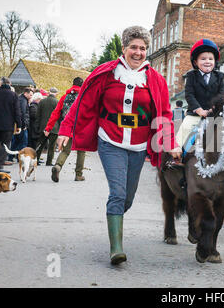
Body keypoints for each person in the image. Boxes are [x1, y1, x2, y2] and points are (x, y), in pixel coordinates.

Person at [56, 26, 181, 265]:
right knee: (117, 193)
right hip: (110, 140)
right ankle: (116, 249)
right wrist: (65, 129)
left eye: (143, 48)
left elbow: (164, 114)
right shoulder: (106, 73)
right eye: (133, 47)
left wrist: (171, 142)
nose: (138, 52)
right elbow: (83, 103)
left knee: (128, 199)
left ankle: (114, 218)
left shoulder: (155, 80)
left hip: (139, 144)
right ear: (123, 49)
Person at [175, 38, 224, 148]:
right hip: (195, 114)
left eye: (210, 59)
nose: (207, 61)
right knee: (185, 128)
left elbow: (221, 95)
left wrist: (214, 108)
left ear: (215, 61)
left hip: (214, 114)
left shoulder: (220, 76)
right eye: (203, 59)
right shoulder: (191, 76)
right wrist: (199, 110)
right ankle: (175, 157)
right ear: (195, 62)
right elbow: (189, 95)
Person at [45, 78, 86, 181]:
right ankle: (78, 175)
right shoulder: (84, 97)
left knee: (65, 151)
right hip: (80, 128)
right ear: (82, 86)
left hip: (67, 129)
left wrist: (48, 128)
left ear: (72, 84)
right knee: (81, 151)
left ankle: (58, 166)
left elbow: (55, 114)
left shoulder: (64, 97)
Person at [7, 87, 33, 162]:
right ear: (26, 93)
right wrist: (24, 125)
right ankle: (20, 158)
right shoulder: (23, 101)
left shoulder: (21, 99)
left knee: (16, 142)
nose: (31, 97)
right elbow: (23, 114)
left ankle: (11, 157)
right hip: (22, 125)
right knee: (23, 142)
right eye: (30, 95)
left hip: (19, 124)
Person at [36, 87, 59, 166]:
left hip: (43, 127)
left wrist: (38, 126)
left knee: (40, 144)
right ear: (56, 93)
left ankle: (36, 159)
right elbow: (59, 116)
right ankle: (49, 162)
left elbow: (38, 115)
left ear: (49, 92)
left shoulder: (42, 101)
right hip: (54, 127)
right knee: (51, 146)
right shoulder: (57, 102)